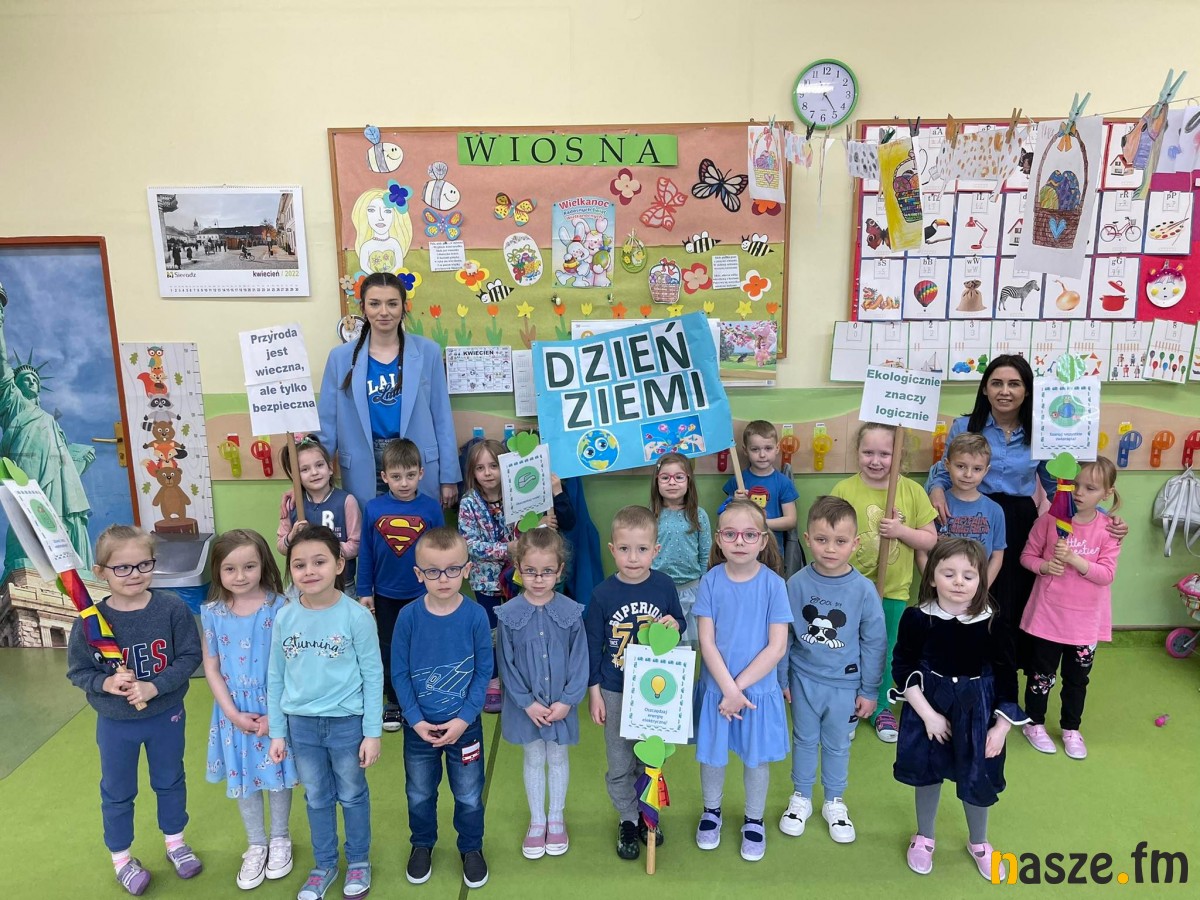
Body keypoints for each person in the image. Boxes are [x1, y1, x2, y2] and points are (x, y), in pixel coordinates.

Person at [926, 355, 1127, 668]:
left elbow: (1056, 484)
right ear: (985, 389)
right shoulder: (964, 426)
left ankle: (1003, 671)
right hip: (973, 514)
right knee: (967, 590)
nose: (1005, 391)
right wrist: (936, 489)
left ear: (1028, 390)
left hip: (1019, 519)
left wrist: (1098, 517)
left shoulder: (1042, 430)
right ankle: (963, 667)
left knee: (1011, 600)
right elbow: (945, 468)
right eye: (997, 383)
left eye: (1014, 384)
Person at [65, 525, 204, 896]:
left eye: (144, 564)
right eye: (122, 567)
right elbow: (78, 671)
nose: (135, 574)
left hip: (166, 716)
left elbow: (190, 655)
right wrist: (105, 683)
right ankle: (122, 860)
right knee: (117, 790)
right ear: (101, 572)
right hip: (116, 723)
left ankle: (176, 843)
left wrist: (155, 686)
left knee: (170, 780)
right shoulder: (89, 622)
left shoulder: (171, 608)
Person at [890, 538, 1028, 880]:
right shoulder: (916, 618)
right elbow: (903, 667)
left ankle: (979, 842)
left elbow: (1007, 677)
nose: (958, 582)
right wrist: (928, 716)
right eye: (948, 573)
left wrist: (1001, 728)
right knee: (927, 772)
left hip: (978, 713)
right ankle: (924, 836)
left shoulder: (994, 622)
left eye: (968, 575)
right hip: (929, 708)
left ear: (981, 579)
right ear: (931, 576)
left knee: (977, 776)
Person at [267, 525, 382, 900]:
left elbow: (373, 676)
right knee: (316, 797)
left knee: (351, 794)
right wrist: (277, 732)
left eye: (319, 562)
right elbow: (276, 677)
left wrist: (372, 732)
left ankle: (359, 860)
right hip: (301, 727)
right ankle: (325, 865)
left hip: (347, 724)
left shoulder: (357, 616)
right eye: (299, 565)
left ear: (339, 564)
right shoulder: (284, 617)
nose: (309, 571)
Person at [777, 496, 885, 844]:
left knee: (838, 744)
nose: (830, 549)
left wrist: (869, 690)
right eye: (822, 539)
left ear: (855, 544)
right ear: (808, 539)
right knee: (804, 739)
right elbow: (783, 635)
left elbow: (875, 642)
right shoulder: (794, 584)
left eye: (840, 541)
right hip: (803, 679)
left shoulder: (864, 590)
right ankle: (801, 797)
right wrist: (782, 677)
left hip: (845, 684)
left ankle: (834, 802)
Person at [392, 527, 492, 889]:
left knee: (468, 794)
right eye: (433, 571)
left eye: (452, 569)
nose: (443, 578)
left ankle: (471, 847)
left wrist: (464, 719)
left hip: (465, 728)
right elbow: (399, 673)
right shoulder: (408, 617)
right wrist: (415, 720)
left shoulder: (476, 616)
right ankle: (422, 844)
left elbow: (483, 671)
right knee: (419, 793)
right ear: (419, 574)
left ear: (467, 569)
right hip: (419, 729)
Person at [693, 499, 791, 863]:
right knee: (712, 757)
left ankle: (754, 818)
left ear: (763, 541)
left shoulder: (774, 585)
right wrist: (728, 689)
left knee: (756, 760)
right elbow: (706, 642)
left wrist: (739, 689)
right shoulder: (710, 581)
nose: (739, 541)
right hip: (718, 691)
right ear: (719, 539)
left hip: (756, 694)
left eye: (749, 534)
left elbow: (777, 647)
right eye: (731, 534)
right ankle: (711, 811)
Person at [586, 505, 685, 860]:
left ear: (655, 550)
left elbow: (679, 624)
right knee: (619, 760)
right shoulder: (601, 595)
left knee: (650, 758)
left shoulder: (664, 586)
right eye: (625, 549)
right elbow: (592, 646)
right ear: (612, 549)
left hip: (653, 693)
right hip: (614, 689)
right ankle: (627, 819)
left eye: (642, 549)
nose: (633, 557)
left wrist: (675, 625)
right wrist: (594, 693)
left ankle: (647, 815)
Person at [316, 271, 460, 515]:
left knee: (419, 532)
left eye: (392, 303)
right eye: (375, 304)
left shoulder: (428, 352)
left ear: (404, 307)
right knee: (372, 531)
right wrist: (312, 476)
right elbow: (327, 424)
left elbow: (442, 418)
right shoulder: (340, 358)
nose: (384, 312)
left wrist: (449, 476)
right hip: (365, 465)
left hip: (415, 465)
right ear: (363, 308)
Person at [200, 529, 297, 890]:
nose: (240, 576)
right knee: (244, 778)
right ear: (217, 571)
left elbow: (293, 663)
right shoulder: (212, 613)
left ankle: (280, 838)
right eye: (230, 569)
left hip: (275, 707)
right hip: (234, 712)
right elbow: (211, 666)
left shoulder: (281, 607)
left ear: (263, 565)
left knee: (278, 773)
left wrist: (277, 715)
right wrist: (232, 714)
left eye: (249, 566)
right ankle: (256, 843)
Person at [832, 423, 938, 743]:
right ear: (857, 453)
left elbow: (931, 540)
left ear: (899, 455)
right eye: (868, 452)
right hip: (850, 590)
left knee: (887, 650)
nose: (875, 461)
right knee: (848, 649)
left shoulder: (911, 491)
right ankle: (849, 706)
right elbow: (831, 536)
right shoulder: (844, 490)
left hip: (893, 590)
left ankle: (881, 707)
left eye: (884, 453)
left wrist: (901, 531)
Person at [1019, 458, 1122, 760]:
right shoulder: (1048, 521)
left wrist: (1075, 560)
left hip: (1085, 623)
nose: (1079, 493)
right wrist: (1044, 566)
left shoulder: (1109, 530)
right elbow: (1027, 556)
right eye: (1075, 485)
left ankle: (1071, 728)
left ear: (1107, 493)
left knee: (1077, 680)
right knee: (1041, 676)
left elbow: (1106, 574)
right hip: (1048, 618)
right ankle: (1034, 723)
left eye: (1090, 488)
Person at [496, 528, 588, 860]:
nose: (538, 579)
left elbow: (580, 660)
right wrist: (527, 703)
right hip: (527, 709)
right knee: (534, 758)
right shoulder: (508, 615)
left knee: (558, 758)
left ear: (560, 571)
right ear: (518, 568)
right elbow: (506, 664)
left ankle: (556, 818)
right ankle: (537, 821)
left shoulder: (571, 612)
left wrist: (567, 701)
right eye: (531, 571)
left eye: (547, 571)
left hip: (561, 706)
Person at [0, 299, 96, 573]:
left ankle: (66, 560)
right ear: (15, 386)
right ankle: (27, 556)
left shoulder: (50, 421)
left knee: (58, 508)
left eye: (35, 380)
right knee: (28, 502)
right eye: (24, 379)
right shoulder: (13, 405)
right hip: (25, 460)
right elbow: (2, 364)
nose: (31, 381)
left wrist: (79, 457)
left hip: (57, 470)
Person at [357, 437, 445, 733]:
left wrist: (441, 584)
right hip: (385, 595)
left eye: (410, 475)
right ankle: (394, 701)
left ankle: (420, 699)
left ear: (421, 473)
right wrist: (364, 590)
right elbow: (366, 552)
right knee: (390, 648)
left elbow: (441, 551)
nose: (404, 483)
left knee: (423, 646)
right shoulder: (373, 508)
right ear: (384, 477)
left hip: (422, 594)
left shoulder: (431, 509)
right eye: (396, 477)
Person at [457, 439, 517, 713]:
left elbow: (528, 530)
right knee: (491, 633)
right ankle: (492, 682)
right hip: (485, 581)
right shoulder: (469, 502)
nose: (488, 472)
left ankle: (517, 680)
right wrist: (505, 549)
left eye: (494, 465)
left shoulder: (517, 494)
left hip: (519, 579)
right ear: (472, 472)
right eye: (480, 468)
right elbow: (468, 544)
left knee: (517, 629)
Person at [917, 433, 1006, 586]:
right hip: (937, 591)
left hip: (975, 591)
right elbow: (921, 550)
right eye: (960, 466)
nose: (968, 474)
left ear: (986, 471)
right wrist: (932, 583)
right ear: (947, 464)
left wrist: (982, 588)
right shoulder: (933, 505)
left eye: (977, 469)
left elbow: (997, 555)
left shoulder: (995, 510)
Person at [277, 435, 361, 597]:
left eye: (319, 465)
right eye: (305, 469)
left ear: (330, 468)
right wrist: (292, 536)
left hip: (341, 584)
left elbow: (356, 544)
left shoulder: (347, 501)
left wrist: (325, 551)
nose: (314, 472)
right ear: (296, 476)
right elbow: (281, 545)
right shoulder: (292, 504)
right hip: (304, 585)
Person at [649, 452, 711, 644]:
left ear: (688, 480)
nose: (672, 482)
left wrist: (704, 584)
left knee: (686, 646)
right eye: (665, 478)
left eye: (679, 477)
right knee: (660, 643)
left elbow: (705, 553)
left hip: (691, 589)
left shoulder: (698, 515)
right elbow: (645, 551)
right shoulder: (650, 516)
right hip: (658, 589)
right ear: (657, 481)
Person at [721, 420, 798, 555]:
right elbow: (724, 518)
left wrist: (759, 524)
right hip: (742, 548)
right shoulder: (738, 481)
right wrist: (734, 502)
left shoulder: (783, 482)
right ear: (745, 450)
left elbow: (790, 521)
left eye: (768, 448)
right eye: (755, 449)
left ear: (777, 448)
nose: (762, 455)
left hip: (772, 551)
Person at [350, 186, 413, 275]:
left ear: (395, 215)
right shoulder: (366, 246)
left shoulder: (395, 243)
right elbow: (364, 266)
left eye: (387, 211)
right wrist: (377, 279)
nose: (380, 217)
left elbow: (398, 265)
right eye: (371, 210)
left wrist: (388, 279)